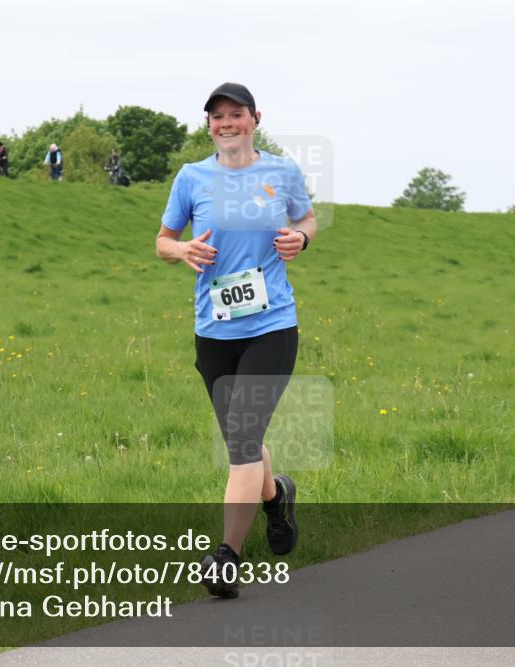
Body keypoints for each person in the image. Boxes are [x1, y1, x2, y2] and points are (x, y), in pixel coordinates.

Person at [157, 83, 316, 598]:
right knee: (244, 442)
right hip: (214, 332)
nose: (227, 123)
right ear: (209, 125)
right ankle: (276, 496)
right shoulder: (191, 178)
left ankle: (226, 555)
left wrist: (303, 237)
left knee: (243, 440)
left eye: (236, 114)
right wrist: (180, 251)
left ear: (255, 119)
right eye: (217, 117)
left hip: (272, 327)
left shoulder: (281, 172)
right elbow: (162, 240)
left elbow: (306, 218)